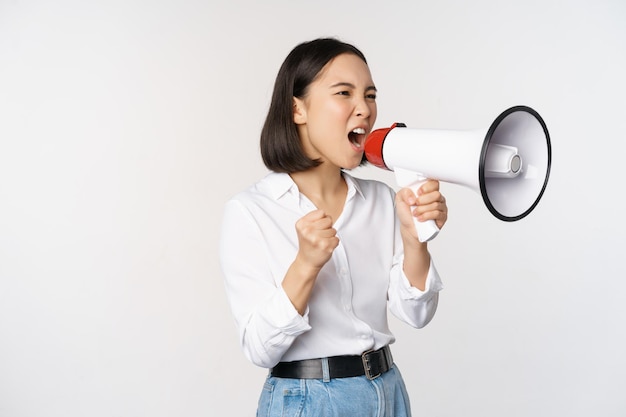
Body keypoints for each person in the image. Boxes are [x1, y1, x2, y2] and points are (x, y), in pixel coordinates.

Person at [219, 37, 448, 417]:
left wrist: (415, 240)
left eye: (370, 95)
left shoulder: (380, 200)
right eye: (344, 93)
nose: (365, 109)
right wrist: (305, 265)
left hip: (388, 392)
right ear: (298, 109)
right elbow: (260, 349)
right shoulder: (250, 211)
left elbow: (417, 315)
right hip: (308, 400)